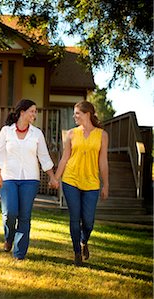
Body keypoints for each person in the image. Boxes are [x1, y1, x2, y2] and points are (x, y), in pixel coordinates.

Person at [0, 99, 58, 260]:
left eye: (35, 112)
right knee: (10, 213)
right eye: (32, 111)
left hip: (30, 179)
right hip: (8, 177)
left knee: (24, 216)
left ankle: (19, 253)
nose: (35, 114)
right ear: (22, 112)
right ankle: (9, 237)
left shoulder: (37, 134)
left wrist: (52, 177)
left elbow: (44, 156)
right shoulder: (6, 131)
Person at [54, 100, 109, 266]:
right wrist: (56, 177)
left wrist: (106, 184)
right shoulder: (71, 134)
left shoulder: (102, 135)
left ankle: (84, 241)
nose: (74, 116)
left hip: (92, 183)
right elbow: (65, 158)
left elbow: (103, 162)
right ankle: (77, 252)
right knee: (74, 217)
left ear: (87, 114)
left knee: (88, 221)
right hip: (71, 180)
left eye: (77, 113)